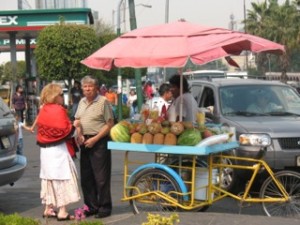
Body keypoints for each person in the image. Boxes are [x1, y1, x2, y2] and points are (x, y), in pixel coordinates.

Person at [36, 83, 80, 221]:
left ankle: (48, 208)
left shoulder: (43, 109)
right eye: (61, 94)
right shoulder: (59, 110)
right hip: (58, 151)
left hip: (45, 151)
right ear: (55, 96)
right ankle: (62, 211)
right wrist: (76, 127)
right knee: (63, 178)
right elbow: (67, 132)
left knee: (49, 178)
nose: (63, 97)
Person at [74, 75, 114, 219]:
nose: (87, 89)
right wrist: (79, 134)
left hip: (99, 141)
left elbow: (109, 124)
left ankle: (105, 207)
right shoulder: (82, 102)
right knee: (86, 177)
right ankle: (91, 206)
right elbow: (77, 120)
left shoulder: (103, 102)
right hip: (84, 141)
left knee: (101, 177)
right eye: (85, 86)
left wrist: (95, 139)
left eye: (90, 86)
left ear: (96, 88)